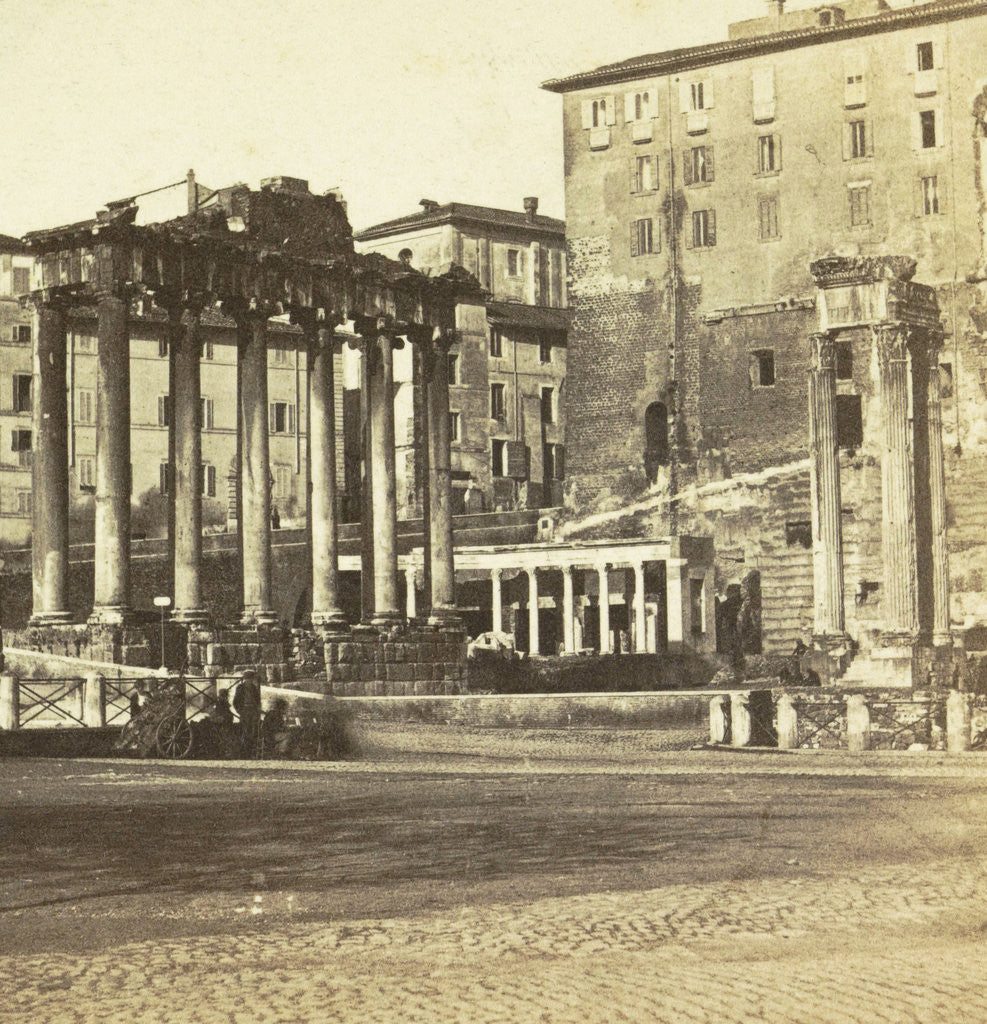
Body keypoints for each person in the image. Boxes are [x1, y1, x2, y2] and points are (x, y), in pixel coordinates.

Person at [233, 669, 262, 758]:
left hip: (253, 711)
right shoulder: (240, 688)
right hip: (245, 711)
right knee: (245, 731)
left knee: (253, 731)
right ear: (246, 679)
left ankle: (251, 752)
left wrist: (257, 710)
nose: (250, 681)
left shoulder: (254, 688)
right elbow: (235, 701)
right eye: (248, 679)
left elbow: (257, 701)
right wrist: (240, 711)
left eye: (251, 679)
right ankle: (244, 753)